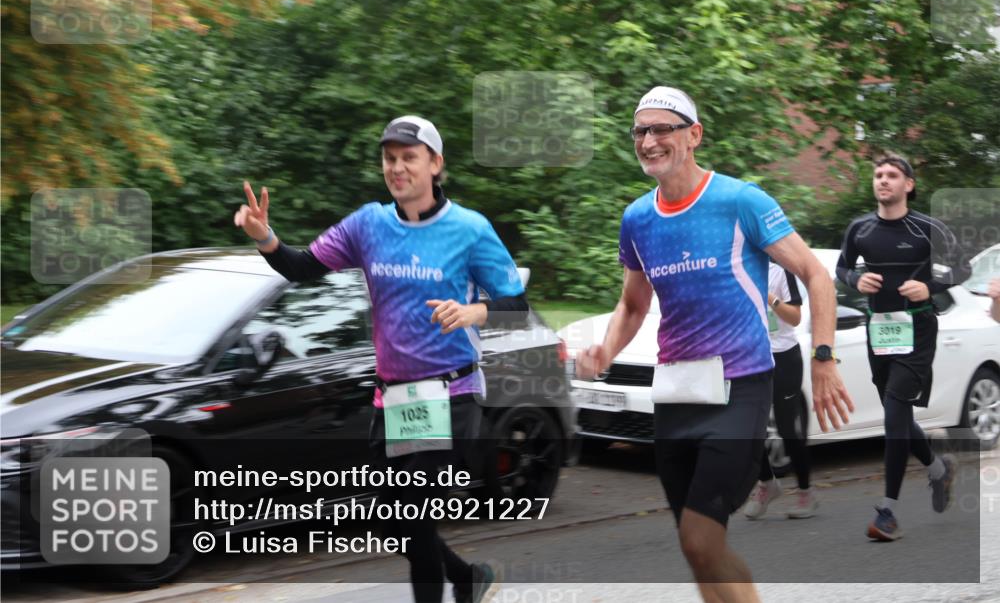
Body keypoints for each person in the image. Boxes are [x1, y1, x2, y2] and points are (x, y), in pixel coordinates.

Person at [576, 86, 853, 603]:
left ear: (694, 135)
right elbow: (633, 306)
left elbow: (816, 275)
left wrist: (822, 357)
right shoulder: (637, 219)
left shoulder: (739, 201)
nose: (649, 141)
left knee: (701, 538)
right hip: (676, 395)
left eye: (662, 129)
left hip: (741, 388)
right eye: (640, 131)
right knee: (697, 547)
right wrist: (604, 351)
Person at [234, 115, 524, 603]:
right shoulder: (369, 224)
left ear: (435, 164)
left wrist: (473, 310)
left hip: (450, 393)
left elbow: (516, 304)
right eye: (390, 159)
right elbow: (303, 267)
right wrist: (266, 238)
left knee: (413, 519)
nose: (397, 168)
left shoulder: (470, 230)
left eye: (409, 158)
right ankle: (468, 578)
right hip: (396, 399)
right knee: (389, 521)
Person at [836, 151, 971, 541]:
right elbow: (842, 268)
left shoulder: (928, 227)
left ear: (908, 185)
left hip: (918, 330)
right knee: (897, 415)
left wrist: (930, 287)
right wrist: (853, 282)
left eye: (892, 175)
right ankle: (938, 469)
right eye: (878, 174)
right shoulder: (860, 229)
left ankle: (887, 512)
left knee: (895, 414)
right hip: (879, 330)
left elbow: (962, 267)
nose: (883, 180)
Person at [743, 263, 817, 519]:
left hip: (784, 357)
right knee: (747, 427)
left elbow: (795, 317)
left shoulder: (781, 271)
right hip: (751, 357)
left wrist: (770, 298)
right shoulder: (740, 267)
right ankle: (767, 483)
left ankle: (806, 492)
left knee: (786, 429)